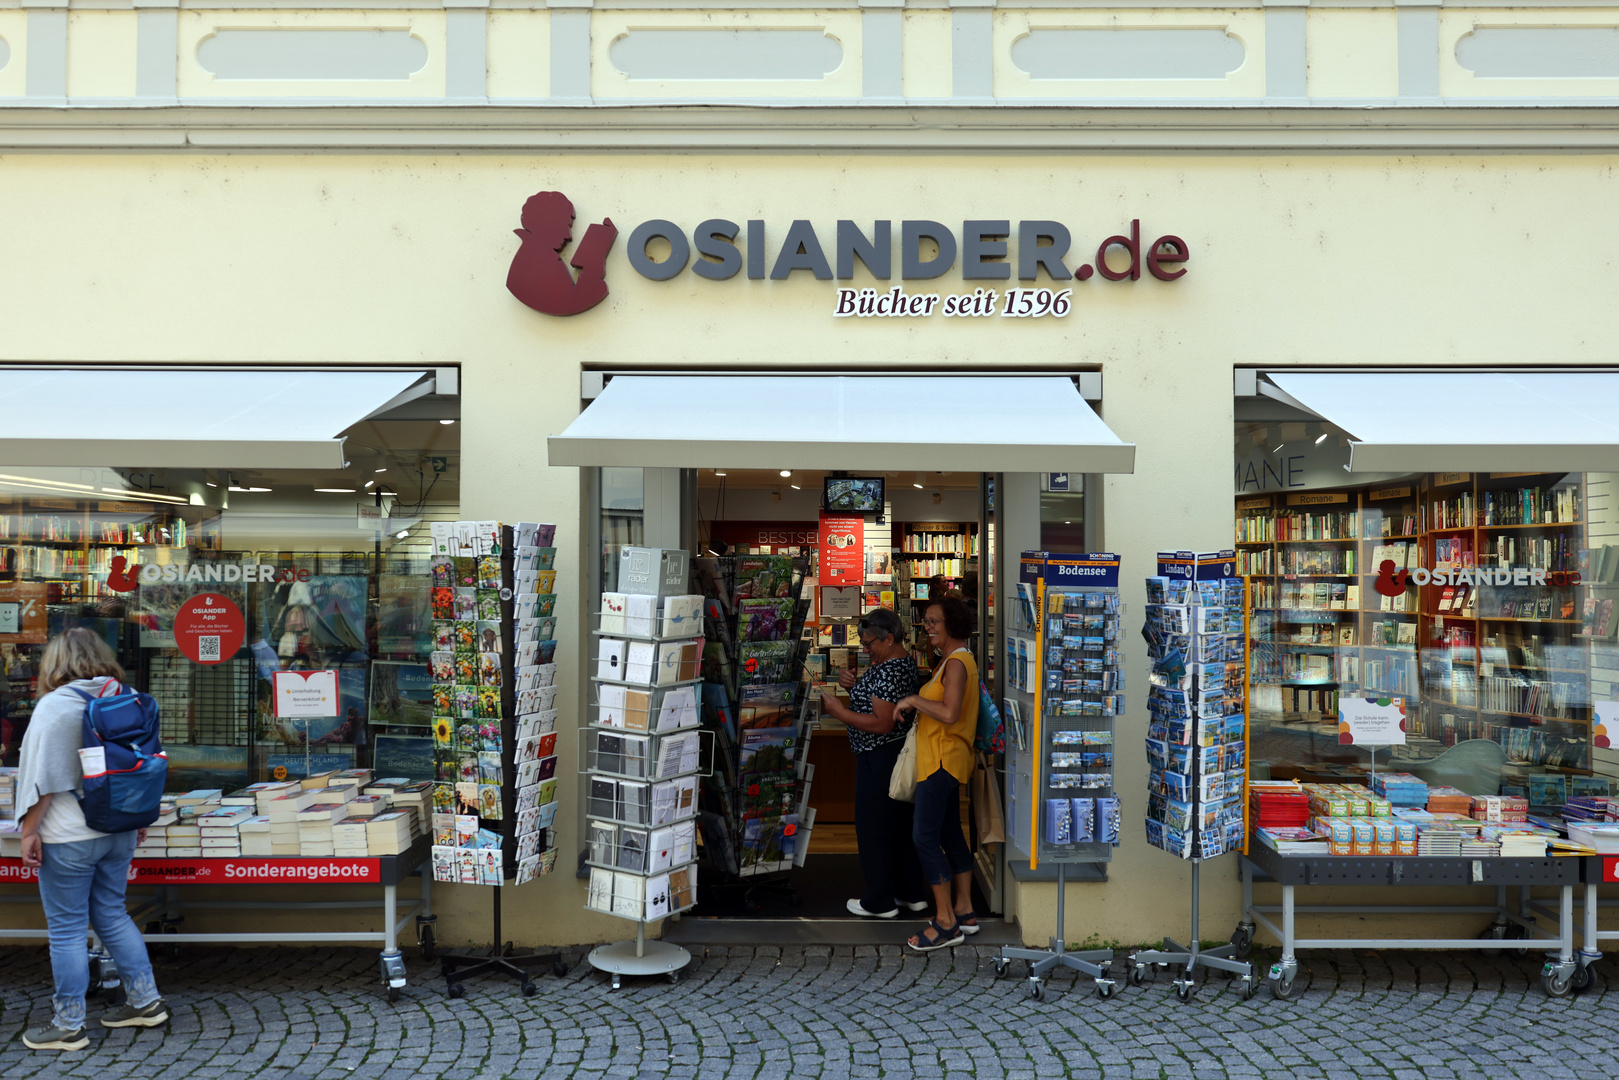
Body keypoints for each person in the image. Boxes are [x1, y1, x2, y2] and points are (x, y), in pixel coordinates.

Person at [16, 628, 167, 1051]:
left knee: (66, 929)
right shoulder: (126, 696)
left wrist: (29, 832)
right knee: (112, 914)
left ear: (55, 662)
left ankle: (68, 1024)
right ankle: (144, 1000)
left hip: (68, 835)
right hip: (119, 829)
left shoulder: (54, 707)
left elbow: (41, 781)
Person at [817, 608, 927, 919]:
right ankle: (910, 892)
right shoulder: (899, 662)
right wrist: (854, 688)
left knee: (873, 828)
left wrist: (840, 712)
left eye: (870, 644)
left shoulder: (889, 669)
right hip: (893, 755)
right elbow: (883, 707)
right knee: (899, 827)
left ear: (889, 639)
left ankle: (880, 900)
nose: (867, 651)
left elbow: (882, 724)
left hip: (880, 757)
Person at [895, 597, 980, 951]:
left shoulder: (956, 664)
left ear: (952, 625)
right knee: (950, 834)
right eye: (926, 621)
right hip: (946, 759)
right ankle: (964, 909)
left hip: (941, 761)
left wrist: (914, 701)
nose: (927, 627)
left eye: (933, 622)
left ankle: (945, 922)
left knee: (924, 838)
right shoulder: (955, 661)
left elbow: (949, 713)